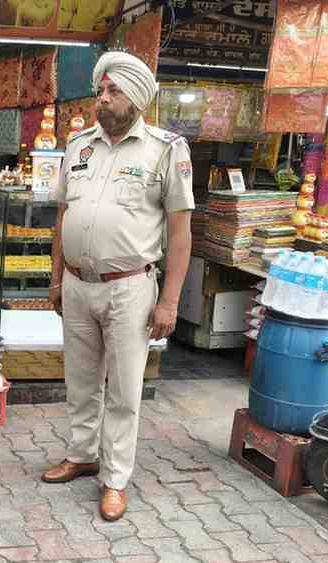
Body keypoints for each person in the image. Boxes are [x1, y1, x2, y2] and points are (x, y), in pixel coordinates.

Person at [41, 51, 193, 522]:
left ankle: (115, 478)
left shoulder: (165, 149)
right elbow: (63, 216)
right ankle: (82, 454)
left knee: (125, 389)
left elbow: (180, 233)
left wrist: (170, 301)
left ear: (138, 99)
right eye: (100, 91)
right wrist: (56, 278)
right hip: (77, 284)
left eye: (113, 92)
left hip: (129, 288)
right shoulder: (78, 146)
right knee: (81, 380)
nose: (102, 99)